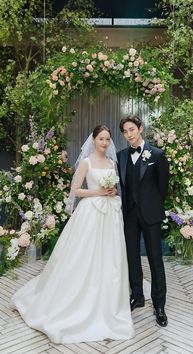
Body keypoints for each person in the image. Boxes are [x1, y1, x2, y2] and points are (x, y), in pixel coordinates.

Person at [12, 125, 134, 344]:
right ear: (94, 140)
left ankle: (107, 299)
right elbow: (75, 191)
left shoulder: (112, 163)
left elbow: (115, 188)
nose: (105, 143)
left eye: (107, 139)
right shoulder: (86, 162)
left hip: (110, 215)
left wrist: (112, 192)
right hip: (91, 213)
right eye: (101, 139)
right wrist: (98, 191)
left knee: (109, 257)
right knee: (83, 256)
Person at [117, 115, 169, 327]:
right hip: (129, 215)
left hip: (150, 214)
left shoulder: (157, 154)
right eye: (125, 131)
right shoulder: (120, 157)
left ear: (140, 129)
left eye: (131, 129)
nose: (129, 134)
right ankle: (137, 296)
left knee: (155, 259)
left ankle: (159, 305)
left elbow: (163, 187)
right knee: (131, 257)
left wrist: (150, 204)